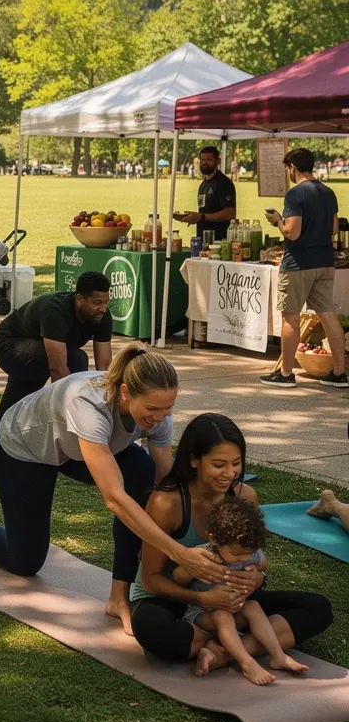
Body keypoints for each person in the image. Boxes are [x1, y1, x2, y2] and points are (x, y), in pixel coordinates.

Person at [0, 345, 225, 634]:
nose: (161, 417)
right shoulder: (89, 405)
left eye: (168, 409)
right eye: (153, 410)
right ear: (124, 393)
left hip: (76, 449)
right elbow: (114, 499)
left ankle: (118, 597)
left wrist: (197, 536)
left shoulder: (157, 411)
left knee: (142, 474)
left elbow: (165, 481)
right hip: (25, 447)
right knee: (25, 562)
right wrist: (180, 554)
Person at [130, 412, 332, 668]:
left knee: (317, 608)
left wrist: (257, 579)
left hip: (232, 603)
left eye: (236, 463)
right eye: (218, 465)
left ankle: (222, 651)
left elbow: (257, 561)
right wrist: (203, 600)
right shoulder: (166, 502)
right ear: (194, 460)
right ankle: (241, 642)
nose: (230, 473)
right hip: (173, 599)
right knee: (152, 629)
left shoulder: (245, 496)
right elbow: (151, 580)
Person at [0, 271, 114, 430]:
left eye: (106, 302)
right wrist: (75, 417)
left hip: (36, 352)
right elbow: (58, 370)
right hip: (8, 345)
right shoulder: (56, 311)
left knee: (2, 423)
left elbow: (105, 369)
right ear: (80, 299)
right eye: (97, 302)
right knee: (76, 359)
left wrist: (108, 408)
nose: (102, 308)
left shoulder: (102, 316)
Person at [172, 496, 308, 685]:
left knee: (253, 606)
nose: (242, 558)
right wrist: (193, 568)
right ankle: (247, 663)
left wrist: (256, 572)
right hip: (203, 614)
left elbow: (263, 563)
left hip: (236, 609)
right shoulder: (205, 553)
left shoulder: (248, 550)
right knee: (222, 616)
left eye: (248, 554)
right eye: (236, 554)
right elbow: (178, 577)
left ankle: (278, 656)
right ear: (214, 539)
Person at [261, 147, 345, 388]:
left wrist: (277, 220)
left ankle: (286, 373)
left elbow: (292, 232)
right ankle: (339, 372)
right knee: (328, 315)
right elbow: (334, 229)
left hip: (298, 263)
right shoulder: (328, 192)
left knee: (290, 316)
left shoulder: (295, 194)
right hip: (325, 262)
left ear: (293, 168)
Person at [175, 146, 237, 242]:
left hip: (220, 242)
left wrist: (201, 217)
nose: (204, 163)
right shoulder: (204, 184)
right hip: (203, 241)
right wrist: (192, 218)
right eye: (202, 160)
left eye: (208, 159)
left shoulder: (223, 183)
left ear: (217, 162)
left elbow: (230, 213)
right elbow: (205, 212)